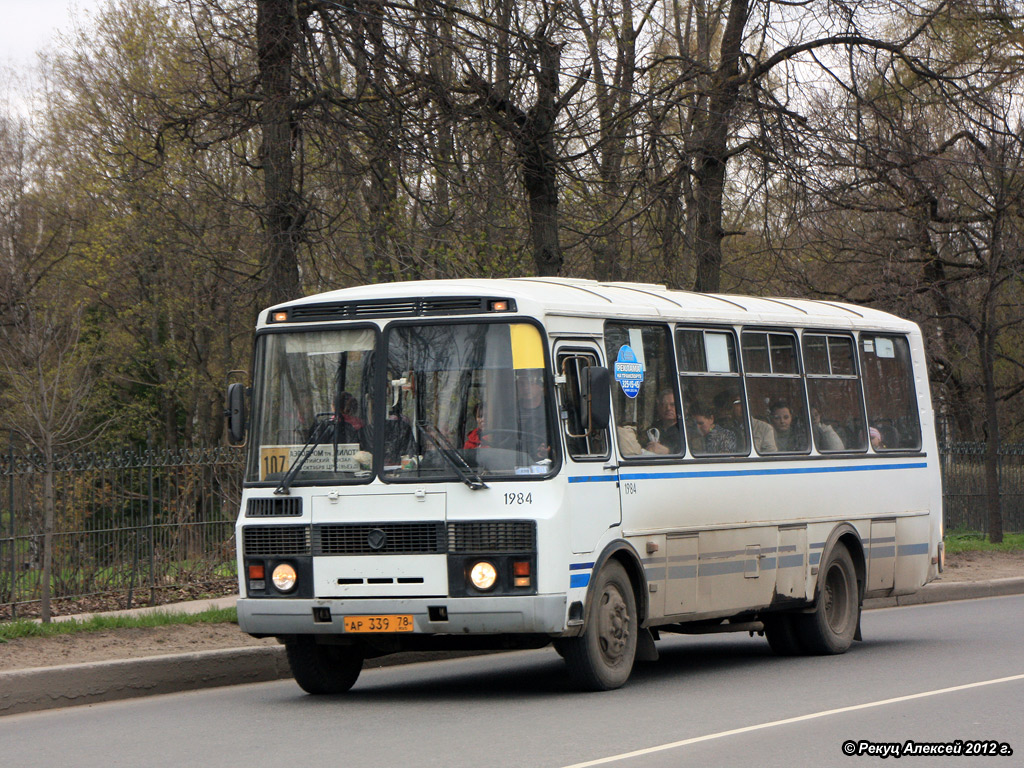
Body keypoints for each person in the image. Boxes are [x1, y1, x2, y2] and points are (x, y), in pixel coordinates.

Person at [513, 369, 551, 462]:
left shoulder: (551, 411)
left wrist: (549, 450)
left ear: (541, 386)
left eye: (531, 383)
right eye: (522, 384)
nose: (526, 387)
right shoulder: (510, 412)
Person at [645, 389, 682, 454]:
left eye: (672, 405)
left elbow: (699, 452)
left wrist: (668, 452)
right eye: (663, 405)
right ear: (658, 408)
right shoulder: (651, 430)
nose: (668, 408)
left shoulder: (688, 430)